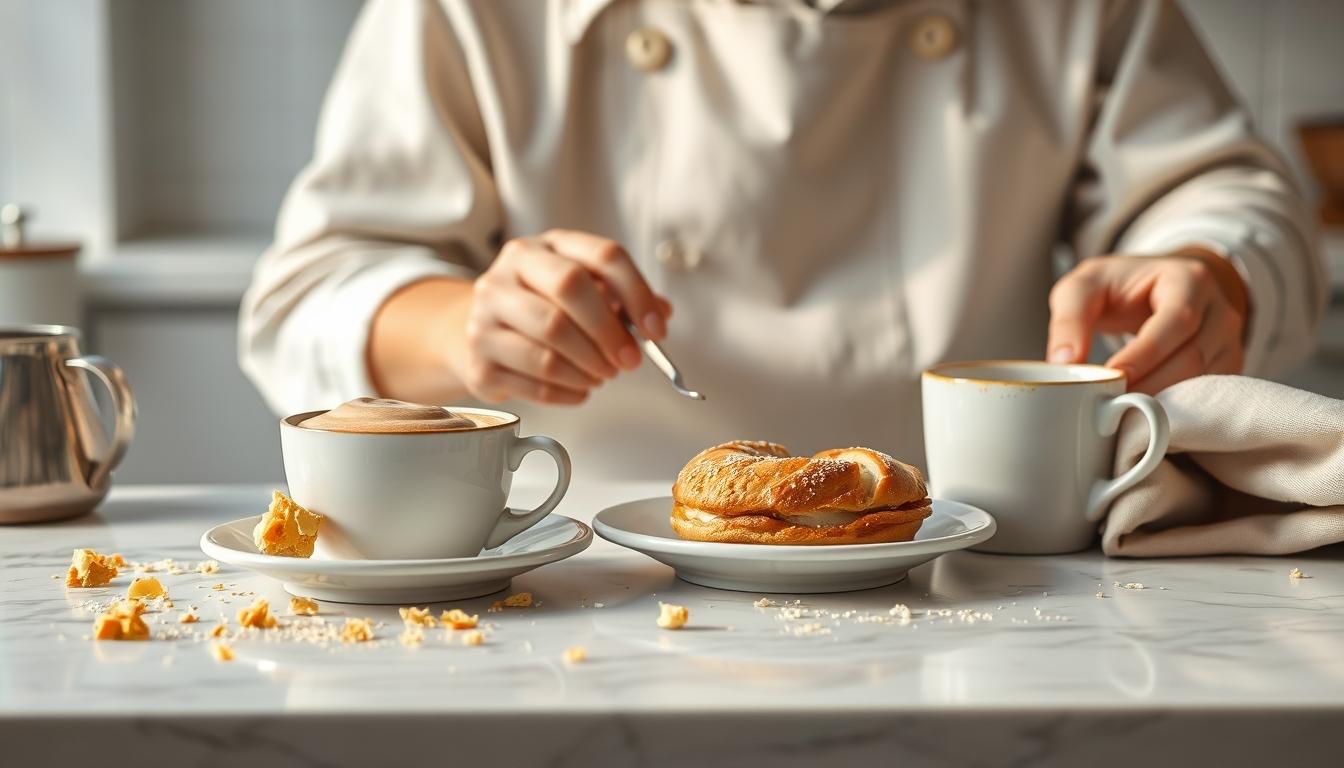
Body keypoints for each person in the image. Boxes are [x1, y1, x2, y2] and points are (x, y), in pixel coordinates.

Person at [240, 0, 1325, 480]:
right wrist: (473, 326)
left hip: (986, 572)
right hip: (583, 582)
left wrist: (1207, 272)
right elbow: (309, 294)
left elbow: (1227, 193)